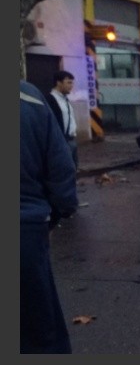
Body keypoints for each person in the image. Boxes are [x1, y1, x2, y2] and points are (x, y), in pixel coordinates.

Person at [20, 80, 78, 353]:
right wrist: (59, 211)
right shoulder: (28, 96)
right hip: (25, 227)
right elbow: (60, 164)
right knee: (39, 324)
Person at [44, 70, 78, 169]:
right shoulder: (50, 100)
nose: (71, 86)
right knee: (62, 171)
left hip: (71, 141)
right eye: (68, 82)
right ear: (58, 83)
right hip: (60, 142)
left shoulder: (65, 99)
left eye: (72, 83)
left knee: (73, 171)